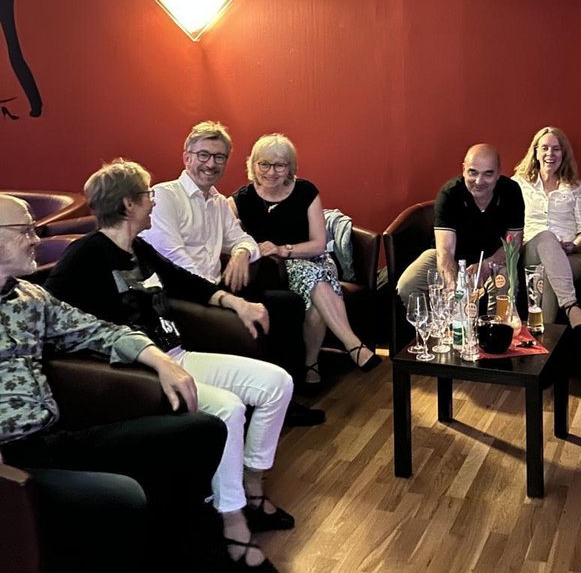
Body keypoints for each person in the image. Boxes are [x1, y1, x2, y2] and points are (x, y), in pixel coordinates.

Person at [0, 195, 246, 573]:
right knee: (121, 498)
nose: (36, 238)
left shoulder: (27, 296)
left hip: (52, 441)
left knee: (200, 432)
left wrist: (160, 360)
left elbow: (99, 330)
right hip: (9, 467)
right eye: (24, 230)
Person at [46, 159, 295, 573]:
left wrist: (237, 302)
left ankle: (252, 488)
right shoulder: (85, 256)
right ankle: (232, 522)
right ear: (128, 204)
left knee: (277, 383)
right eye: (147, 195)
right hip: (140, 375)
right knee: (229, 409)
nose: (154, 201)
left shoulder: (138, 249)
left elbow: (186, 283)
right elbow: (55, 322)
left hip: (178, 355)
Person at [141, 119, 324, 426]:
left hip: (216, 288)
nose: (211, 164)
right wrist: (226, 298)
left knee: (288, 304)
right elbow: (175, 262)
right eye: (203, 155)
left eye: (219, 157)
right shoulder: (165, 197)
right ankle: (255, 402)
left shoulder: (217, 202)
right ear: (187, 157)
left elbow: (245, 240)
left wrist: (240, 253)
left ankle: (282, 399)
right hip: (183, 298)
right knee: (262, 310)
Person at [230, 133, 380, 387]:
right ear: (253, 165)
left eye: (280, 165)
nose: (271, 172)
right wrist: (243, 249)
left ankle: (312, 364)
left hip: (314, 258)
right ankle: (352, 345)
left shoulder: (305, 191)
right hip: (276, 272)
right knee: (315, 280)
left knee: (315, 285)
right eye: (264, 164)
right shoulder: (240, 198)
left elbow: (318, 244)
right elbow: (218, 226)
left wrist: (282, 249)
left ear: (290, 167)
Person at [396, 143, 525, 303]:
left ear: (498, 173)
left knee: (505, 279)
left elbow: (513, 244)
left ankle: (494, 320)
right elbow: (445, 251)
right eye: (473, 172)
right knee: (407, 285)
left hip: (493, 260)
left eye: (488, 173)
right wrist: (452, 287)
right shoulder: (450, 194)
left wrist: (487, 265)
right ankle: (436, 318)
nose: (479, 181)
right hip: (452, 259)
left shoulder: (511, 191)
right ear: (464, 169)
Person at [513, 125, 581, 329]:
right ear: (535, 152)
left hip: (571, 256)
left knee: (550, 270)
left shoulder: (579, 188)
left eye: (556, 149)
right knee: (547, 237)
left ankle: (542, 337)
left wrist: (574, 245)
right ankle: (570, 305)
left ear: (563, 153)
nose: (550, 154)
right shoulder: (519, 184)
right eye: (545, 148)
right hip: (531, 250)